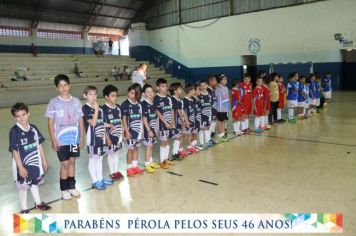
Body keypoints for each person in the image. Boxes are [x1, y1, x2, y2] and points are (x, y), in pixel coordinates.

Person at [45, 74, 84, 200]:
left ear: (69, 86)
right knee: (65, 164)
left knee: (72, 162)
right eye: (60, 86)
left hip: (74, 138)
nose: (63, 88)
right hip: (61, 140)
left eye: (65, 85)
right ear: (57, 88)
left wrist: (82, 137)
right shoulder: (53, 102)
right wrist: (53, 139)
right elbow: (50, 122)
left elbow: (81, 120)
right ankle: (64, 189)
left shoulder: (76, 101)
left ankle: (72, 187)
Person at [9, 103, 51, 213]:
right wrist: (20, 167)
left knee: (34, 182)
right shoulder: (14, 131)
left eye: (23, 114)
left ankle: (38, 203)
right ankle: (24, 208)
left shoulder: (33, 128)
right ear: (15, 117)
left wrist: (44, 159)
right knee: (23, 187)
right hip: (21, 164)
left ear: (28, 113)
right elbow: (14, 150)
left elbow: (39, 145)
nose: (21, 118)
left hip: (34, 162)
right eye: (18, 116)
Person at [82, 86, 113, 190]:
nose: (93, 97)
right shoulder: (85, 109)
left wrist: (108, 125)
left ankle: (100, 178)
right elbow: (93, 123)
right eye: (90, 94)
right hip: (92, 140)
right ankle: (95, 181)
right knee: (93, 159)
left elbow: (100, 122)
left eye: (95, 94)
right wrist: (96, 110)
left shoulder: (99, 109)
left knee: (100, 159)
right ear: (85, 96)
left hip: (101, 138)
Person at [102, 85, 124, 181]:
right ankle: (112, 172)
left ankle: (116, 171)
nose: (115, 98)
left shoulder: (118, 107)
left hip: (118, 135)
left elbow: (121, 121)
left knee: (117, 153)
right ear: (106, 97)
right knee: (111, 154)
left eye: (116, 95)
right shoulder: (103, 109)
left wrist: (122, 134)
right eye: (112, 96)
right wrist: (107, 138)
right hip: (110, 137)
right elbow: (102, 125)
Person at [121, 85, 144, 177]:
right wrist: (126, 131)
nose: (133, 95)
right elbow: (123, 119)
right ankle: (129, 168)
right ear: (128, 93)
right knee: (130, 149)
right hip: (130, 131)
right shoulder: (125, 104)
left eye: (135, 93)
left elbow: (141, 118)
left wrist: (141, 131)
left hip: (138, 132)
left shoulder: (139, 105)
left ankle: (135, 166)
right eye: (131, 93)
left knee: (136, 148)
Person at [154, 78, 175, 169]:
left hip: (170, 123)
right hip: (162, 124)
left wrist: (173, 121)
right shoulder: (157, 98)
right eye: (162, 86)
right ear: (157, 87)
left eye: (166, 86)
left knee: (168, 140)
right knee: (163, 141)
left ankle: (166, 159)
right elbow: (157, 112)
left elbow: (171, 110)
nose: (165, 88)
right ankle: (162, 161)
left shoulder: (169, 98)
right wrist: (165, 122)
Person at [141, 84, 161, 173]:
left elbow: (156, 118)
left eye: (151, 91)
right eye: (147, 92)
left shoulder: (153, 104)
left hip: (153, 128)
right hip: (147, 129)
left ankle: (151, 161)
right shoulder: (144, 104)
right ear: (144, 93)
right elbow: (144, 118)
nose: (150, 93)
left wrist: (156, 129)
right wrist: (148, 130)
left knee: (152, 145)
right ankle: (146, 164)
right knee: (149, 146)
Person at [170, 82, 188, 160]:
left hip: (180, 122)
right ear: (175, 90)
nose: (181, 90)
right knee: (177, 137)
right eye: (180, 89)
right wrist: (174, 122)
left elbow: (182, 111)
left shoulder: (181, 100)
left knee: (179, 136)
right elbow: (177, 111)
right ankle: (174, 153)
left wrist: (185, 120)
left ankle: (176, 152)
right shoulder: (172, 99)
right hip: (175, 122)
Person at [183, 84, 199, 153]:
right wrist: (186, 121)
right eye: (193, 90)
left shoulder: (192, 100)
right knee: (185, 135)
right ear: (189, 91)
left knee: (190, 133)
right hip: (187, 121)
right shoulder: (184, 100)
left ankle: (190, 146)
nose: (194, 92)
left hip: (192, 120)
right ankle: (182, 148)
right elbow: (183, 111)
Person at [198, 80, 213, 147]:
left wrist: (210, 116)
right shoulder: (199, 95)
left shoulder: (209, 95)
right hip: (201, 115)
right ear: (199, 87)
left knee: (207, 128)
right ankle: (201, 143)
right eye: (201, 85)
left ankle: (207, 141)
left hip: (208, 115)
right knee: (202, 129)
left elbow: (210, 106)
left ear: (207, 85)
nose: (203, 87)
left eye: (204, 85)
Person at [215, 74, 229, 141]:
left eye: (226, 79)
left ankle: (222, 133)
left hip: (225, 108)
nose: (225, 80)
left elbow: (227, 98)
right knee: (219, 121)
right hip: (220, 109)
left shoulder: (226, 88)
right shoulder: (218, 88)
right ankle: (219, 134)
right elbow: (217, 97)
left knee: (224, 121)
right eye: (224, 79)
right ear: (220, 81)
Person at [193, 85, 204, 150]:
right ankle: (192, 146)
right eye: (199, 89)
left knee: (196, 132)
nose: (200, 91)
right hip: (194, 119)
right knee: (193, 133)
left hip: (199, 118)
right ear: (194, 91)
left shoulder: (198, 98)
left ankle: (195, 145)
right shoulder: (193, 100)